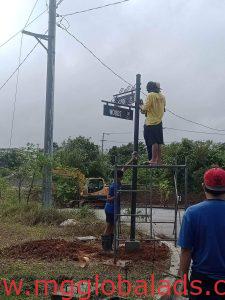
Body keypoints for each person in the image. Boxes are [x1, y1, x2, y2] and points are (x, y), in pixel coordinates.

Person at [177, 167, 225, 299]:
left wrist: (184, 280)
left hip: (201, 282)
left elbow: (186, 251)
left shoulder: (192, 213)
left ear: (203, 186)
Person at [101, 152, 138, 252]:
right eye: (121, 177)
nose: (121, 178)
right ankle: (105, 246)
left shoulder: (117, 180)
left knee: (112, 226)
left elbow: (124, 168)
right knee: (109, 226)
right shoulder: (114, 185)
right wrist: (116, 196)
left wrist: (132, 159)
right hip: (110, 208)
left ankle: (109, 246)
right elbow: (108, 198)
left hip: (115, 209)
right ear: (118, 177)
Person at [141, 81, 166, 164]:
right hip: (159, 121)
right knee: (159, 142)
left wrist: (140, 105)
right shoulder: (162, 97)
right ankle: (158, 160)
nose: (147, 91)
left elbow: (145, 108)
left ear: (150, 88)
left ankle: (153, 159)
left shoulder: (150, 95)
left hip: (151, 122)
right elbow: (164, 109)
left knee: (153, 141)